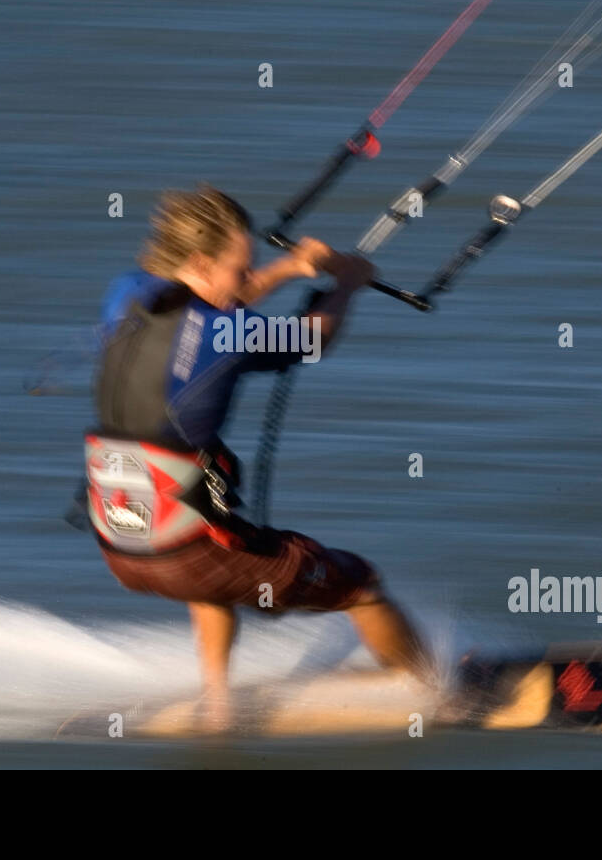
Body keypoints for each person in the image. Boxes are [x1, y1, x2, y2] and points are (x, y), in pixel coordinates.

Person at [83, 184, 432, 730]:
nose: (247, 280)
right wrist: (345, 286)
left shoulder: (126, 294)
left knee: (213, 556)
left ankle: (218, 702)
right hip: (185, 555)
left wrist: (294, 268)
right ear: (200, 262)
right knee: (363, 586)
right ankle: (433, 696)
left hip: (122, 544)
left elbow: (215, 306)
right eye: (241, 269)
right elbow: (311, 338)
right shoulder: (228, 335)